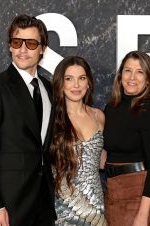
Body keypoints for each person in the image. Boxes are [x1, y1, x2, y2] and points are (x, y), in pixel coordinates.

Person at [0, 15, 56, 226]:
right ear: (10, 46)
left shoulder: (49, 88)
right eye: (17, 42)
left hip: (43, 205)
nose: (23, 49)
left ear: (42, 48)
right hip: (9, 206)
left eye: (31, 43)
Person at [103, 50, 150, 226]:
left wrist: (144, 213)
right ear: (121, 74)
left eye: (140, 72)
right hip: (113, 189)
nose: (132, 77)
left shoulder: (148, 110)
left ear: (148, 78)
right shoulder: (111, 107)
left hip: (138, 191)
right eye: (128, 70)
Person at [50, 56, 107, 225]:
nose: (76, 85)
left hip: (97, 205)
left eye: (81, 78)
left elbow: (101, 160)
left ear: (88, 82)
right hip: (65, 209)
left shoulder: (99, 116)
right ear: (61, 83)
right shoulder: (51, 119)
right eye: (69, 79)